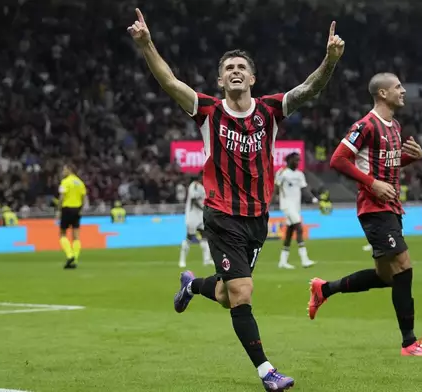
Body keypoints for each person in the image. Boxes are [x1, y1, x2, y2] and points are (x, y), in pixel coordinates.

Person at [128, 8, 344, 390]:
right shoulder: (209, 111)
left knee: (228, 295)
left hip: (257, 218)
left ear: (253, 77)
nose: (235, 71)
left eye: (241, 66)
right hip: (221, 214)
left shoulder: (270, 110)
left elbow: (310, 89)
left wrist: (329, 60)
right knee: (243, 293)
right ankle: (267, 371)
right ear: (220, 79)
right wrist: (147, 45)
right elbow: (170, 82)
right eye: (228, 68)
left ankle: (191, 286)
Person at [309, 72, 422, 356]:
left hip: (391, 206)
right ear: (382, 93)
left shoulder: (395, 126)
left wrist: (410, 158)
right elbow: (338, 159)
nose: (404, 91)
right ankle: (409, 342)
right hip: (374, 208)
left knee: (386, 276)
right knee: (404, 266)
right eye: (398, 87)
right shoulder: (365, 125)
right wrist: (371, 183)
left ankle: (324, 290)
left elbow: (385, 167)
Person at [275, 153, 318, 269]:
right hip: (286, 206)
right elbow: (276, 187)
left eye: (299, 160)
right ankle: (304, 260)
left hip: (296, 207)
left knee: (290, 231)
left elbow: (304, 189)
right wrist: (276, 199)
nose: (297, 163)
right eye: (295, 160)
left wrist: (313, 198)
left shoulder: (300, 174)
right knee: (299, 227)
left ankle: (282, 261)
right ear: (289, 160)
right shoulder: (282, 172)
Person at [57, 164, 87, 269]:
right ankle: (75, 259)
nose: (62, 172)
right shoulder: (80, 182)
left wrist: (58, 209)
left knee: (62, 234)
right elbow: (84, 197)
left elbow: (62, 196)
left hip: (67, 208)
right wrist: (81, 209)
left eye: (64, 170)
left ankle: (69, 255)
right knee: (76, 236)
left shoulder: (65, 182)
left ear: (70, 170)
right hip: (77, 209)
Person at [179, 176, 212, 268]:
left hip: (201, 216)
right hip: (192, 215)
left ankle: (206, 260)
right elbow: (193, 200)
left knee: (205, 236)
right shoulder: (194, 185)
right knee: (189, 237)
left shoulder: (202, 187)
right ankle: (182, 260)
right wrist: (203, 208)